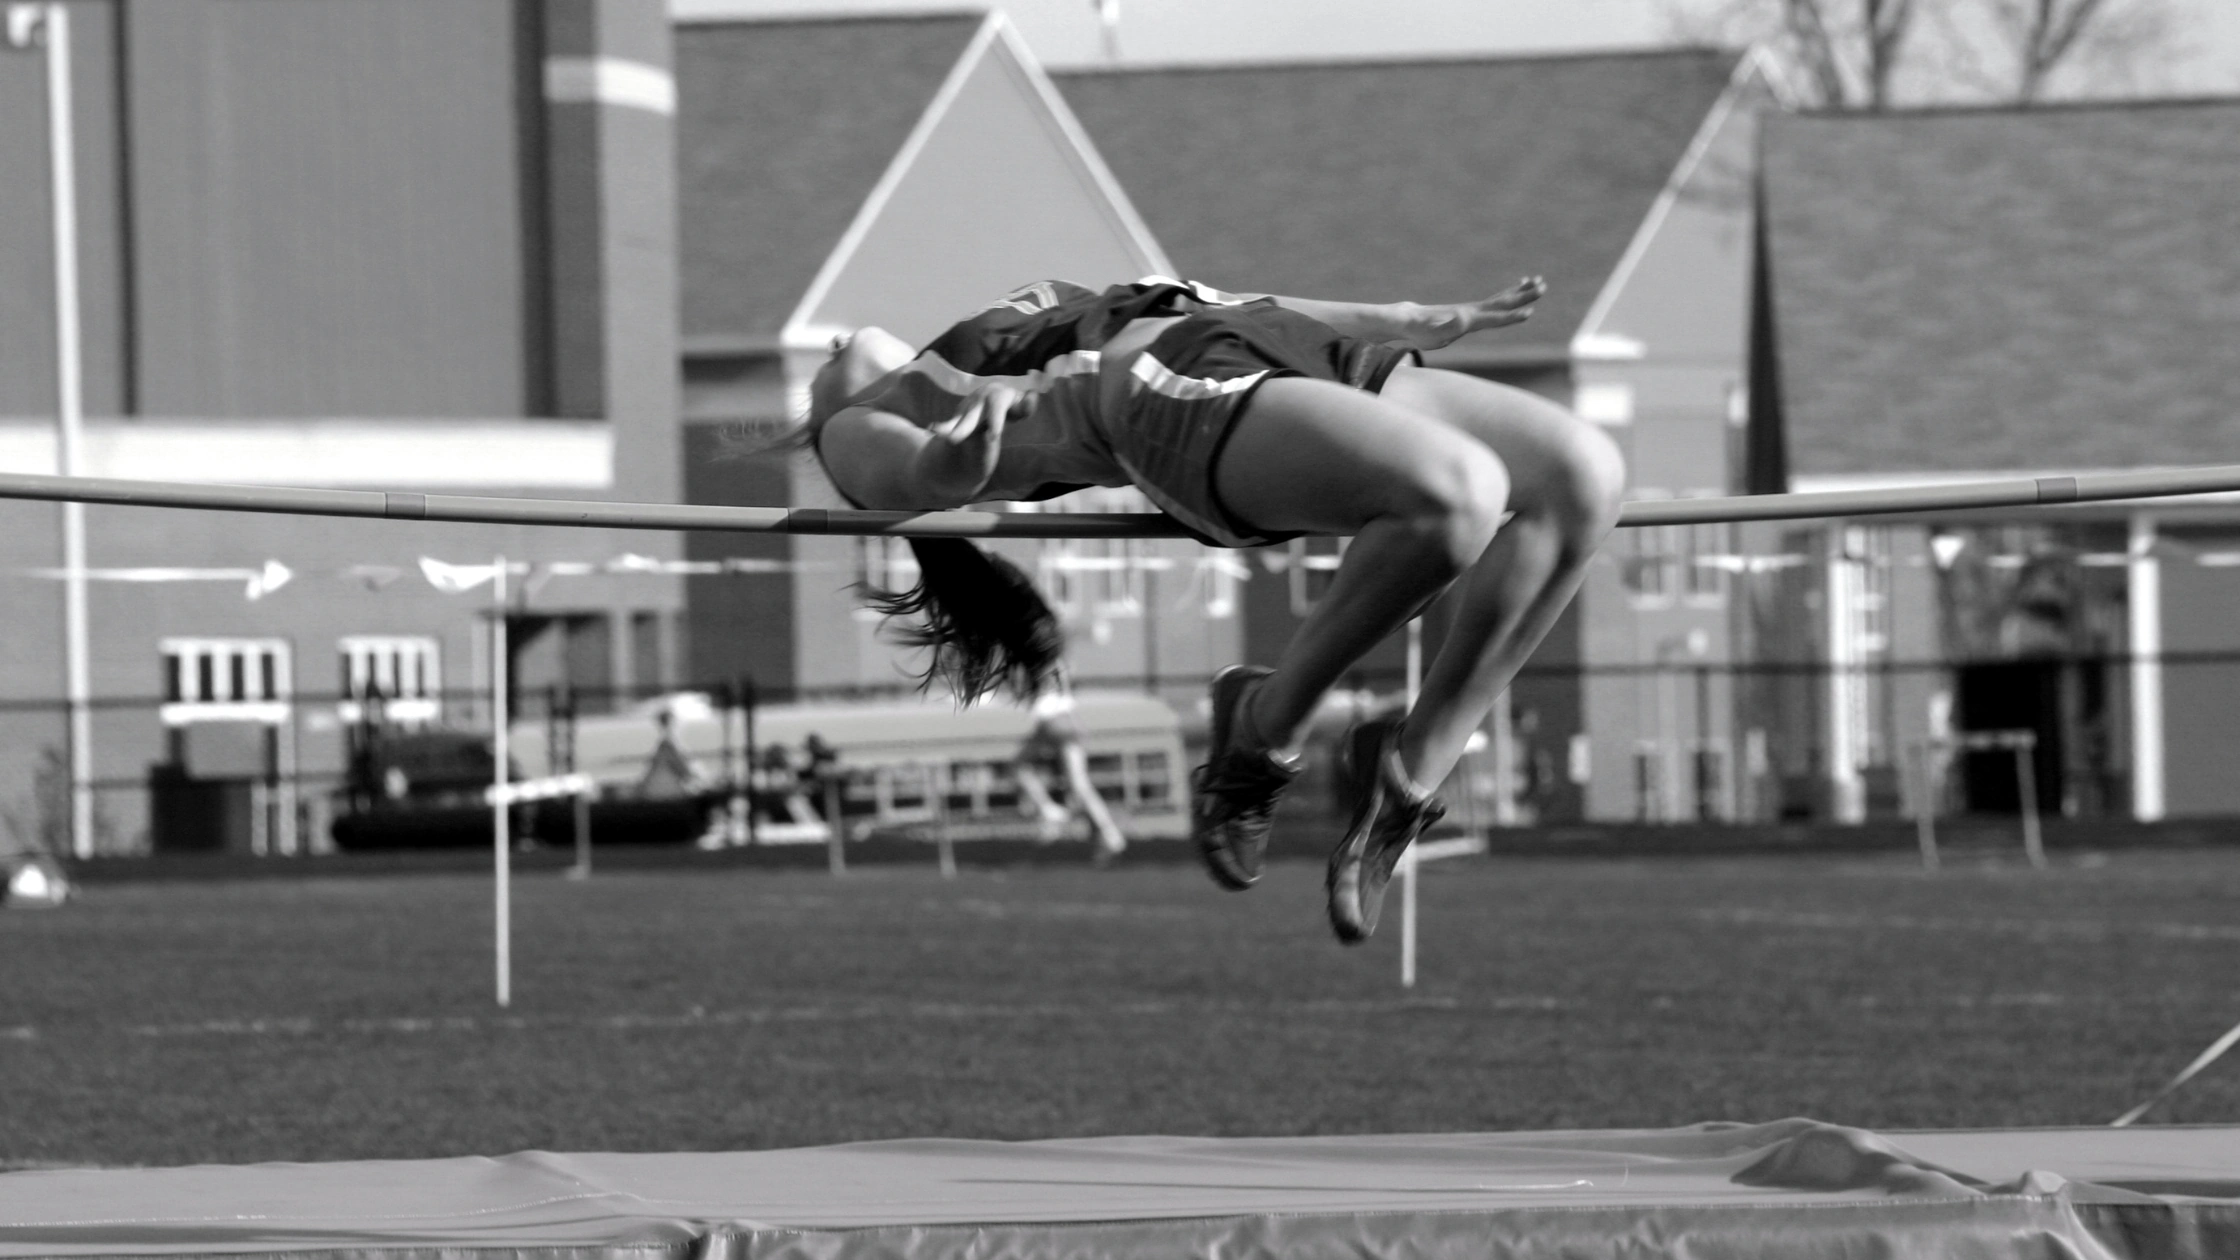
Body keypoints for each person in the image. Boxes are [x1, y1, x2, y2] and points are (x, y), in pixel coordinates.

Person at [803, 276, 1624, 943]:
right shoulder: (854, 425)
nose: (830, 349)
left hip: (1271, 345)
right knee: (1460, 499)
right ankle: (1261, 730)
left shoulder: (989, 327)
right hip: (1159, 394)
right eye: (813, 377)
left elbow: (1215, 297)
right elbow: (917, 482)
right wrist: (959, 458)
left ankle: (1407, 782)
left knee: (1586, 475)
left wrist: (1400, 317)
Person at [1014, 681, 1127, 864]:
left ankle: (1050, 811)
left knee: (1021, 767)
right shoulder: (1051, 672)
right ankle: (1109, 834)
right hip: (1066, 722)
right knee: (1078, 783)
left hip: (1055, 722)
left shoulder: (1036, 670)